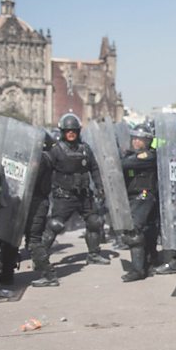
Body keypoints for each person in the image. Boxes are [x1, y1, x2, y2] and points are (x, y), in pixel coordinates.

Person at [40, 112, 110, 274]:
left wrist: (99, 186)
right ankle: (40, 258)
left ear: (78, 131)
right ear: (63, 132)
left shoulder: (85, 149)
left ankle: (93, 254)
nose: (71, 133)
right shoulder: (56, 150)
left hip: (84, 195)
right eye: (68, 131)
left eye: (74, 130)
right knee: (54, 226)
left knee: (94, 222)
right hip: (64, 195)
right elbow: (45, 170)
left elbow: (94, 168)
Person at [119, 123, 159, 282]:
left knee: (134, 231)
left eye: (140, 139)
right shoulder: (133, 155)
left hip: (144, 196)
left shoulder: (148, 156)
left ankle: (138, 270)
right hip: (135, 196)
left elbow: (125, 164)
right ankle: (147, 264)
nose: (136, 142)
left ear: (147, 141)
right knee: (146, 231)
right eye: (134, 138)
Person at [27, 132, 58, 287]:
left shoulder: (42, 159)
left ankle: (49, 275)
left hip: (37, 203)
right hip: (34, 202)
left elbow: (30, 178)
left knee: (34, 240)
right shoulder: (43, 157)